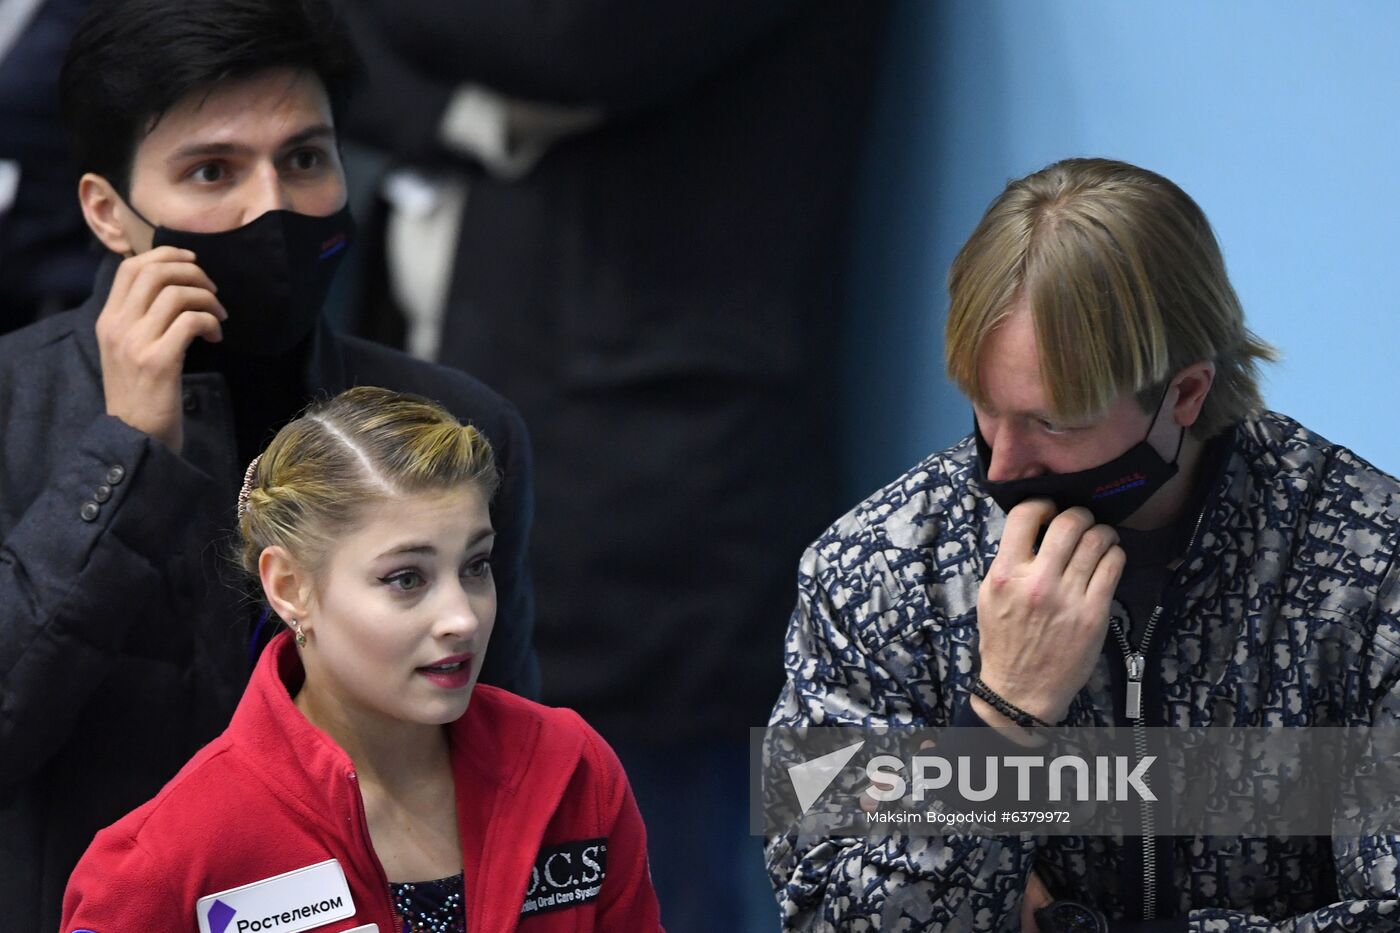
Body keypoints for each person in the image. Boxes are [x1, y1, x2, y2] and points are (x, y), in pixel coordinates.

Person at [0, 2, 536, 929]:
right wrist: (122, 457)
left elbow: (504, 753)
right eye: (213, 170)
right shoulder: (16, 406)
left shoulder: (454, 423)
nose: (272, 208)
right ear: (109, 213)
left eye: (304, 158)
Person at [766, 158, 1400, 930]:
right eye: (984, 408)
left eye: (1051, 423)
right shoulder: (872, 572)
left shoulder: (1368, 566)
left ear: (1186, 393)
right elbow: (826, 911)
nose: (999, 465)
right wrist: (1001, 721)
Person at [61, 387, 662, 932]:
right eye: (406, 578)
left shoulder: (571, 769)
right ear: (291, 587)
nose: (463, 617)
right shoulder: (169, 859)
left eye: (475, 566)